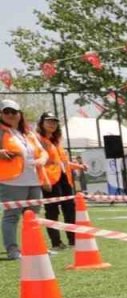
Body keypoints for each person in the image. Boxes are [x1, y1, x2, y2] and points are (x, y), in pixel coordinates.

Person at [0, 99, 49, 261]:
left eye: (14, 112)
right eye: (6, 112)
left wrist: (42, 159)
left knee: (33, 216)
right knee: (12, 216)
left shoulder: (28, 133)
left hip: (34, 180)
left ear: (20, 114)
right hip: (11, 182)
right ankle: (13, 251)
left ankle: (35, 248)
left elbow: (43, 152)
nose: (10, 115)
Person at [35, 113, 82, 251]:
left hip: (64, 179)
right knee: (52, 211)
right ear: (42, 123)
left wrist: (78, 166)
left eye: (55, 122)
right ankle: (56, 243)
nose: (52, 124)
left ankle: (73, 240)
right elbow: (40, 162)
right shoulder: (38, 139)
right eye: (48, 121)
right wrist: (44, 180)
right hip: (50, 180)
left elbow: (63, 162)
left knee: (70, 209)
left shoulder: (56, 141)